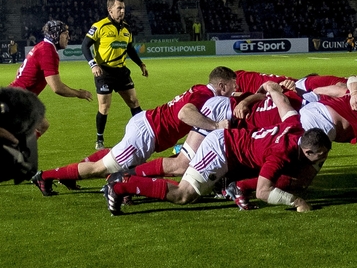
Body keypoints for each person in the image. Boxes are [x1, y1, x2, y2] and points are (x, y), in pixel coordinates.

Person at [103, 82, 331, 215]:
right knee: (183, 194)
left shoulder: (294, 125)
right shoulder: (280, 155)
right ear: (308, 151)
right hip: (221, 148)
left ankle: (126, 181)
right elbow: (263, 191)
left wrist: (271, 87)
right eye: (320, 156)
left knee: (184, 175)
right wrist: (297, 202)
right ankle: (123, 185)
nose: (322, 159)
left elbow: (281, 101)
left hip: (230, 147)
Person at [30, 66, 238, 196]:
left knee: (113, 158)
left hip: (145, 123)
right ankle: (45, 176)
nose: (234, 90)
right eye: (232, 86)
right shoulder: (206, 96)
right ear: (221, 85)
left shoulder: (200, 89)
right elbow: (185, 113)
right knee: (100, 169)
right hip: (145, 134)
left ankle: (70, 176)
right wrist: (215, 126)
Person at [83, 0, 149, 150]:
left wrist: (140, 64)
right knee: (104, 107)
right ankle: (99, 139)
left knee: (134, 102)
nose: (122, 11)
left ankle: (144, 133)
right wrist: (93, 65)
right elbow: (84, 46)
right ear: (110, 10)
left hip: (121, 72)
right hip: (104, 72)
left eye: (123, 8)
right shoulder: (99, 26)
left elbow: (130, 48)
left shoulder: (126, 28)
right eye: (119, 8)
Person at [9, 20, 93, 136]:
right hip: (17, 101)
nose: (68, 37)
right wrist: (79, 94)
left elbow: (19, 70)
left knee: (40, 125)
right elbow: (57, 87)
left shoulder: (42, 46)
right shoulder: (48, 51)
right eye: (65, 33)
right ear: (55, 34)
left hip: (17, 97)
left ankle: (20, 151)